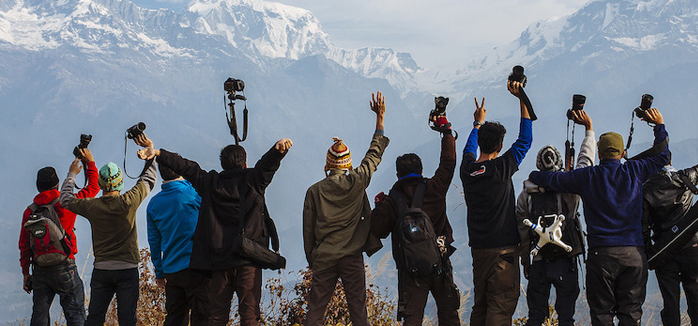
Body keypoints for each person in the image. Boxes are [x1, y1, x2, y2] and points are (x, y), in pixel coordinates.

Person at [529, 108, 669, 326]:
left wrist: (534, 176)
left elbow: (554, 180)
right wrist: (659, 124)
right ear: (622, 154)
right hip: (633, 253)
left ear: (600, 155)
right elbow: (662, 156)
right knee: (631, 313)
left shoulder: (588, 176)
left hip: (601, 254)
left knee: (602, 314)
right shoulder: (635, 170)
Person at [138, 134, 293, 326]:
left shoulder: (210, 183)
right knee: (249, 317)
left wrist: (159, 153)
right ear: (245, 164)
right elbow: (266, 165)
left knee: (216, 317)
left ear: (223, 164)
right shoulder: (254, 181)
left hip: (219, 263)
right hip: (249, 261)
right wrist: (277, 151)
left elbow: (188, 167)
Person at [303, 91, 389, 326]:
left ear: (329, 164)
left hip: (325, 256)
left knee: (315, 312)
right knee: (359, 312)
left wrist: (313, 258)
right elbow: (374, 155)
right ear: (348, 162)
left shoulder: (314, 191)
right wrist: (379, 119)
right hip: (352, 256)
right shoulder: (358, 180)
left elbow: (308, 232)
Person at [370, 112, 460, 326]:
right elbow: (448, 163)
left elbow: (379, 230)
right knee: (448, 316)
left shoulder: (392, 201)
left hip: (410, 270)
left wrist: (379, 206)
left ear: (397, 174)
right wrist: (446, 131)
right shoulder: (434, 188)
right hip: (440, 262)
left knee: (412, 319)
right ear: (420, 171)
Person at [60, 136, 157, 326]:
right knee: (127, 319)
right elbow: (149, 180)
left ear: (102, 185)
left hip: (102, 270)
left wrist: (72, 174)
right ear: (120, 182)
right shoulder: (129, 202)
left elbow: (65, 199)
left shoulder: (92, 206)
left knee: (95, 318)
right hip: (127, 269)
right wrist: (150, 151)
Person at [460, 80, 533, 326]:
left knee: (481, 306)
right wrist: (522, 98)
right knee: (500, 308)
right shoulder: (502, 167)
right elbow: (525, 140)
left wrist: (476, 123)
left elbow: (468, 150)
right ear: (501, 146)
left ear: (481, 142)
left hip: (479, 250)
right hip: (504, 251)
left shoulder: (468, 170)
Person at [516, 110, 595, 326]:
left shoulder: (526, 195)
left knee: (535, 316)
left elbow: (523, 232)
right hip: (566, 259)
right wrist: (589, 131)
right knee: (566, 317)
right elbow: (584, 164)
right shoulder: (570, 191)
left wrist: (526, 261)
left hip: (539, 259)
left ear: (539, 166)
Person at [642, 118, 698, 326]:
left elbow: (643, 227)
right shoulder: (687, 178)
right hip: (690, 246)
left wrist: (648, 253)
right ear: (671, 160)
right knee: (697, 304)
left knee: (670, 304)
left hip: (664, 252)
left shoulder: (646, 190)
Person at [19, 148, 100, 326]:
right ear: (57, 185)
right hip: (65, 265)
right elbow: (94, 188)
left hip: (40, 269)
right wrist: (89, 163)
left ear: (38, 186)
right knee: (76, 315)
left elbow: (24, 245)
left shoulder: (29, 212)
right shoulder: (66, 203)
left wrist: (26, 273)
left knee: (39, 317)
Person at [146, 164, 208, 326]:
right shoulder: (192, 194)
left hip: (172, 270)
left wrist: (159, 272)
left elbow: (154, 242)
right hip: (197, 267)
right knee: (201, 317)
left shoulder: (154, 204)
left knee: (175, 317)